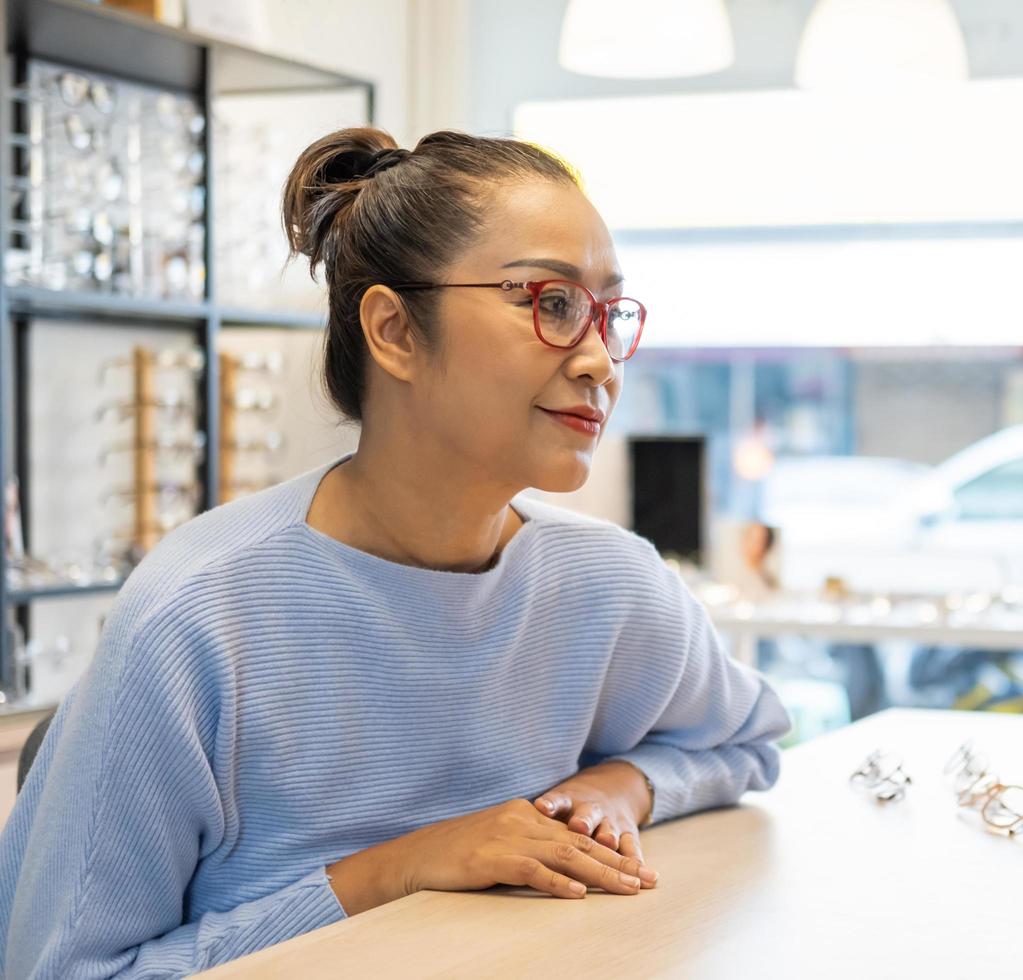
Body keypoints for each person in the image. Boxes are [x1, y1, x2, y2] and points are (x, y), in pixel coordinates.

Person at [0, 128, 790, 977]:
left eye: (607, 312)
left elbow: (743, 744)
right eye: (551, 303)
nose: (600, 360)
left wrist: (618, 788)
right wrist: (390, 872)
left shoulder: (608, 583)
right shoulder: (198, 615)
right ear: (395, 331)